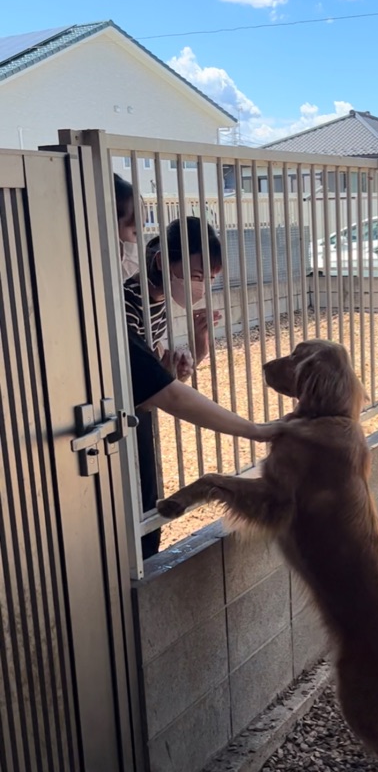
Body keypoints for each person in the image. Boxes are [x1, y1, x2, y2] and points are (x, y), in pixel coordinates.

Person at [113, 179, 277, 559]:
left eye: (209, 279)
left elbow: (154, 383)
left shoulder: (157, 299)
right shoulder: (127, 300)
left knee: (144, 511)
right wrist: (256, 430)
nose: (201, 286)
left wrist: (194, 352)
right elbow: (161, 393)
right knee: (135, 517)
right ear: (162, 262)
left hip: (136, 420)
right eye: (197, 275)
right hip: (121, 428)